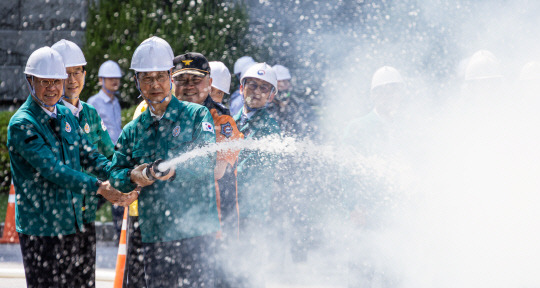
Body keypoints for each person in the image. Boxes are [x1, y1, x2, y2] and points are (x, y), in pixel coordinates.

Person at [8, 46, 137, 288]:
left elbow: (90, 155)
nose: (52, 88)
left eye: (57, 81)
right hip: (42, 231)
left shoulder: (66, 115)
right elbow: (53, 170)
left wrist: (124, 176)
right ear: (30, 81)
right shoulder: (23, 124)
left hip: (76, 224)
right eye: (44, 82)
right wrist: (100, 187)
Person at [109, 38, 220, 288]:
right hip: (154, 235)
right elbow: (114, 173)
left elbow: (206, 160)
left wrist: (173, 170)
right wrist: (131, 177)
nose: (155, 85)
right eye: (147, 78)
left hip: (196, 235)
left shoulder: (196, 115)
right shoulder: (133, 129)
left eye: (160, 76)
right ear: (137, 81)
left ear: (171, 77)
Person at [51, 39, 117, 234]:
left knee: (87, 265)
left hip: (88, 213)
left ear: (85, 74)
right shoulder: (51, 115)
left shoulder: (90, 113)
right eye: (65, 74)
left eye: (77, 72)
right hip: (60, 217)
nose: (72, 80)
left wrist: (125, 177)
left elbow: (108, 156)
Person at [233, 62, 281, 287]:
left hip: (251, 210)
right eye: (252, 85)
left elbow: (253, 169)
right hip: (229, 207)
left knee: (245, 267)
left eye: (264, 88)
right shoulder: (228, 121)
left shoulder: (270, 130)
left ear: (271, 96)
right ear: (241, 88)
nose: (257, 92)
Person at [87, 59, 125, 238]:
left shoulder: (116, 102)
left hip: (115, 156)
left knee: (116, 195)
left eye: (116, 78)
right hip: (100, 160)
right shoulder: (93, 102)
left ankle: (120, 237)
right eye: (110, 78)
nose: (114, 81)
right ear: (101, 79)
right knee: (96, 197)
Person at [267, 64, 313, 138]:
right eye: (278, 82)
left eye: (285, 81)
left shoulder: (300, 107)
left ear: (290, 84)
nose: (282, 84)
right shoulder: (265, 109)